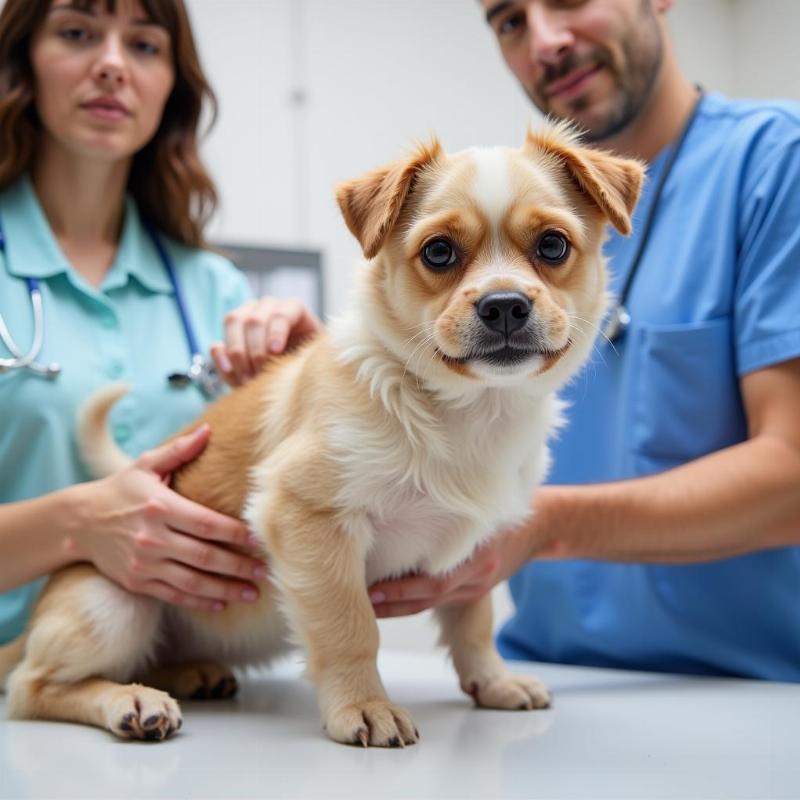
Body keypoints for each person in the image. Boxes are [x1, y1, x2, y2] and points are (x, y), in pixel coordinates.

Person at [276, 0, 800, 681]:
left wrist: (541, 526)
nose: (546, 40)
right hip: (540, 675)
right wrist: (320, 390)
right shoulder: (511, 190)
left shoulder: (776, 166)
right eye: (509, 20)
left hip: (747, 689)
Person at [0, 0, 320, 644]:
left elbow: (293, 502)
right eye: (77, 33)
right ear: (23, 63)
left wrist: (315, 379)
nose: (113, 65)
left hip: (178, 690)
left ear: (173, 87)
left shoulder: (213, 287)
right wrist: (79, 523)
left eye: (144, 46)